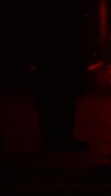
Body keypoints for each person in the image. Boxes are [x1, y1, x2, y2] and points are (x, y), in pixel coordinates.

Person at [32, 0, 91, 152]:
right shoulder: (69, 10)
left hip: (52, 54)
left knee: (56, 97)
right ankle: (59, 138)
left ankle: (53, 139)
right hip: (61, 54)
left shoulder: (48, 10)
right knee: (63, 97)